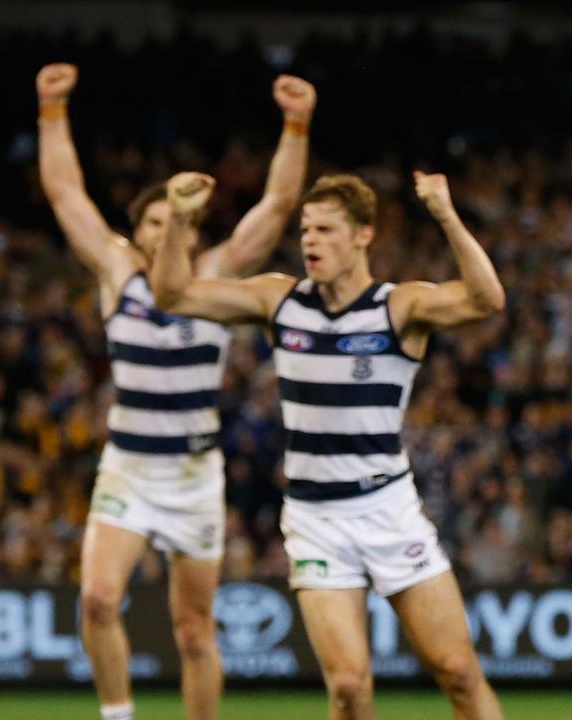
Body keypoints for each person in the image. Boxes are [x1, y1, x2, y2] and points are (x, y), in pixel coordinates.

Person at [149, 170, 506, 720]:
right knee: (347, 686)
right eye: (306, 230)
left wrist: (445, 215)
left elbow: (487, 300)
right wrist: (177, 218)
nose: (309, 241)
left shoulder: (399, 307)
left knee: (458, 672)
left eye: (325, 230)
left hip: (388, 509)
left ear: (363, 235)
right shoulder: (278, 301)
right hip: (316, 518)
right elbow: (173, 293)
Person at [36, 63, 314, 720]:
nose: (166, 230)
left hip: (193, 476)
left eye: (176, 219)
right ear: (139, 234)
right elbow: (64, 191)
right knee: (99, 600)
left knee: (194, 631)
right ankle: (119, 716)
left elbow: (276, 207)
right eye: (155, 222)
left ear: (191, 226)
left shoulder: (213, 277)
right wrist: (51, 110)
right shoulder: (118, 272)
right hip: (129, 469)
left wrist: (297, 125)